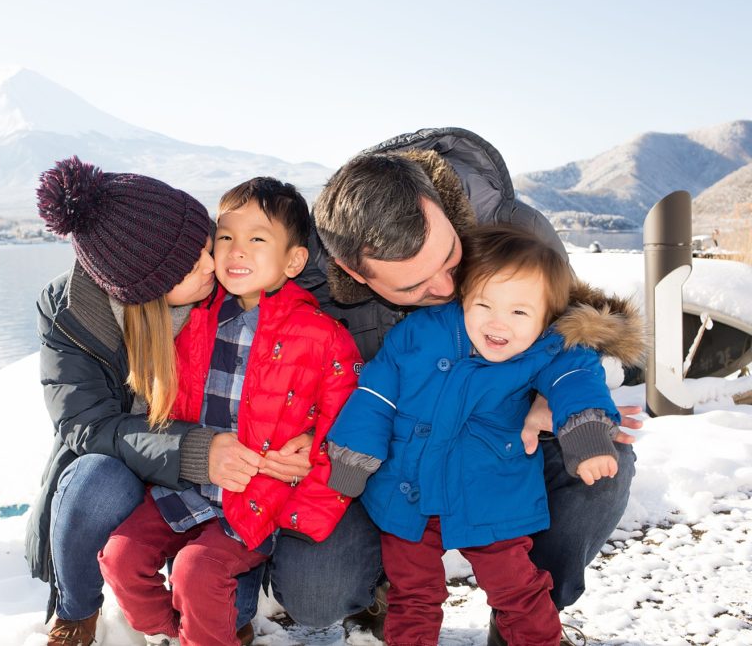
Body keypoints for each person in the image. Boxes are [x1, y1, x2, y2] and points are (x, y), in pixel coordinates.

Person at [275, 132, 643, 643]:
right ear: (350, 272)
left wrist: (567, 412)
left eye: (450, 258)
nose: (448, 290)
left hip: (498, 457)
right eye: (413, 285)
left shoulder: (514, 231)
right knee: (345, 592)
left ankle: (532, 614)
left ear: (440, 207)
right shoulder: (310, 281)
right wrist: (331, 447)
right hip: (400, 470)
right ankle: (382, 594)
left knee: (602, 471)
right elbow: (351, 390)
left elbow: (573, 343)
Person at [25, 159, 308, 646]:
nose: (212, 264)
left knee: (227, 609)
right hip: (126, 463)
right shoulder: (71, 312)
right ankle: (76, 612)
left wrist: (305, 431)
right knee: (94, 478)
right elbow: (86, 425)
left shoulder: (229, 287)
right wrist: (196, 451)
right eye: (191, 263)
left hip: (218, 488)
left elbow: (304, 323)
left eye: (207, 244)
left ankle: (201, 603)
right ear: (146, 289)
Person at [326, 225, 645, 645]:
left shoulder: (548, 348)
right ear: (463, 295)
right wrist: (353, 455)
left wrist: (586, 433)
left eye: (519, 312)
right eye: (484, 304)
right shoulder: (418, 334)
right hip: (410, 489)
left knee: (517, 587)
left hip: (490, 489)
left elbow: (575, 379)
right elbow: (375, 396)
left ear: (548, 316)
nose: (499, 323)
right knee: (413, 593)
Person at [98, 177, 362, 646]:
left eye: (257, 239)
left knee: (196, 571)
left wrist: (305, 505)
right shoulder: (191, 317)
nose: (237, 251)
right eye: (226, 237)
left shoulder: (324, 336)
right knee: (120, 556)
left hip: (257, 500)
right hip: (185, 485)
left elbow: (351, 434)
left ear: (295, 259)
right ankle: (181, 635)